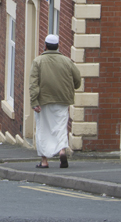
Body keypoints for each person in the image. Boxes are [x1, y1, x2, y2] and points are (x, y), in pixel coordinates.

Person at [29, 34, 82, 169]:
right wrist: (72, 87)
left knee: (43, 129)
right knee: (60, 127)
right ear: (58, 46)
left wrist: (34, 102)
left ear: (45, 46)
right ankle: (62, 151)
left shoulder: (38, 61)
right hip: (62, 100)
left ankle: (44, 161)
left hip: (43, 101)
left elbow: (33, 84)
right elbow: (77, 80)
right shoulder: (67, 61)